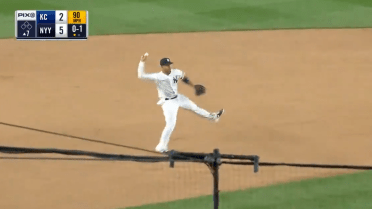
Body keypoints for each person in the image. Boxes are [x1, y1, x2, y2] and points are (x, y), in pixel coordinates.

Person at [137, 53, 224, 153]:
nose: (169, 67)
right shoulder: (157, 77)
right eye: (166, 65)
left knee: (194, 107)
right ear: (162, 66)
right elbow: (141, 76)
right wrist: (142, 62)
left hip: (178, 97)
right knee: (170, 124)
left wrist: (193, 86)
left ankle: (212, 117)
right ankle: (161, 146)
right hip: (168, 103)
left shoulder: (176, 72)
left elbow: (184, 78)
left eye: (169, 64)